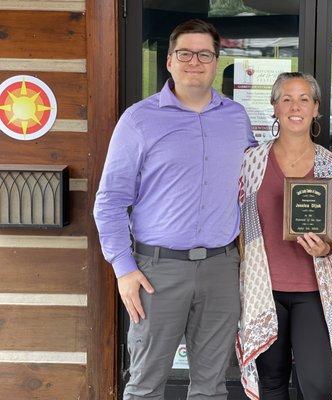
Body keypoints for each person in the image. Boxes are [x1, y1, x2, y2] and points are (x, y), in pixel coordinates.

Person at [93, 19, 255, 400]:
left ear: (216, 62)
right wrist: (123, 269)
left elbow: (251, 184)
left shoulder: (236, 118)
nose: (194, 61)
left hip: (221, 268)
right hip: (156, 271)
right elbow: (110, 200)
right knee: (146, 384)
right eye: (185, 53)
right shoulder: (139, 120)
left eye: (204, 54)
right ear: (169, 61)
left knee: (212, 385)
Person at [236, 72, 332, 400]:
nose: (295, 106)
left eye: (304, 99)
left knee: (317, 385)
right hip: (263, 291)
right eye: (287, 99)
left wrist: (328, 246)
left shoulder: (331, 167)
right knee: (272, 382)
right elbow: (235, 224)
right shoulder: (252, 162)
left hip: (313, 291)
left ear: (316, 108)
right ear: (274, 106)